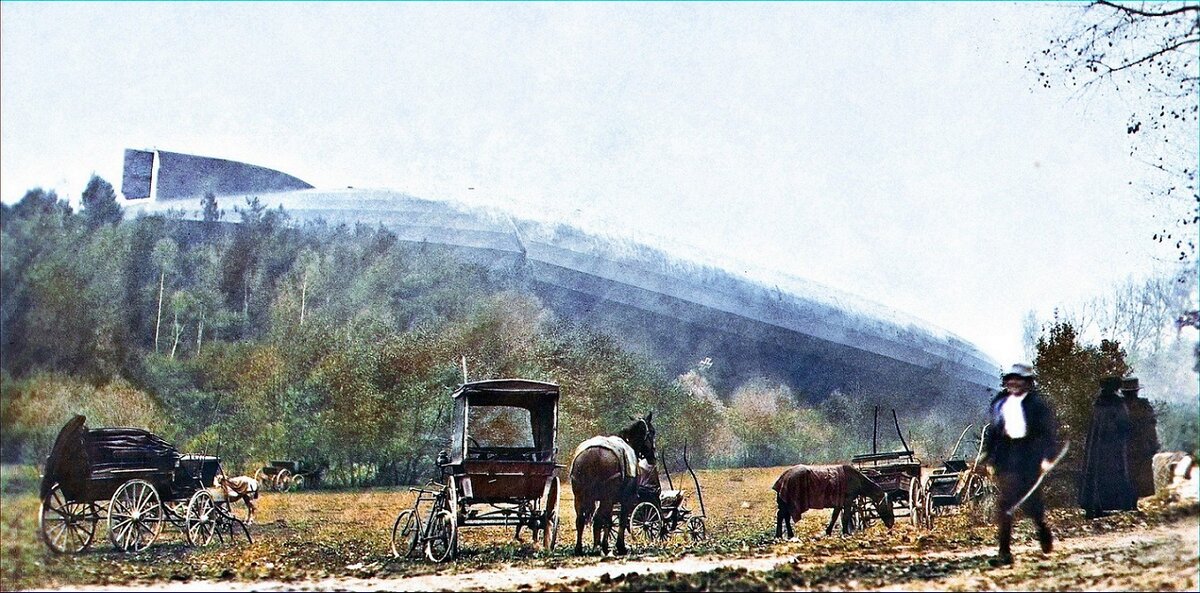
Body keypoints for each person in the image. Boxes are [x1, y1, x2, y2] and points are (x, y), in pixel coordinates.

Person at [979, 363, 1059, 566]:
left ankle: (1041, 528)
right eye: (1011, 379)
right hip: (1006, 456)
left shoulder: (1037, 405)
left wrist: (1048, 457)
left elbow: (1048, 433)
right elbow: (994, 433)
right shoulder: (999, 402)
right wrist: (988, 456)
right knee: (1005, 505)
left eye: (1019, 379)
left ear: (1028, 383)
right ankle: (1004, 553)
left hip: (1028, 456)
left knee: (1032, 504)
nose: (1014, 383)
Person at [1078, 376, 1137, 517]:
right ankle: (1116, 505)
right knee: (1115, 473)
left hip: (1097, 448)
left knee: (1097, 474)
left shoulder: (1098, 403)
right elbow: (1124, 425)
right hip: (1113, 447)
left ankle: (1095, 505)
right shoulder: (1118, 404)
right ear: (1116, 388)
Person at [1121, 376, 1160, 499]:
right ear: (1137, 391)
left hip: (1124, 448)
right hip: (1142, 447)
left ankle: (1128, 502)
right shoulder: (1144, 406)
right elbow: (1150, 428)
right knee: (1140, 477)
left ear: (1123, 392)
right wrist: (1153, 445)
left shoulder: (1118, 406)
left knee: (1126, 475)